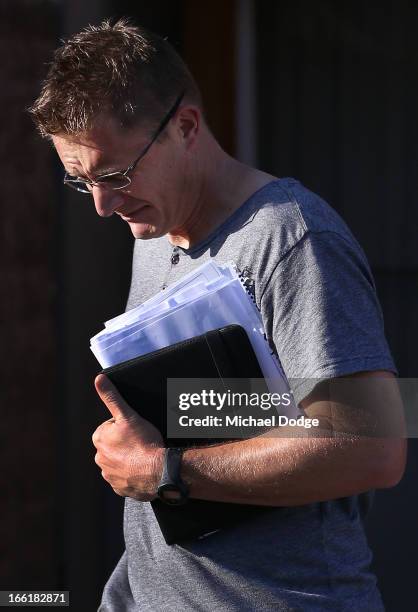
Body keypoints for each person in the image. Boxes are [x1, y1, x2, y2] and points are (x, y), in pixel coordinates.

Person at [30, 19, 406, 612]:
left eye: (114, 176)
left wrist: (165, 471)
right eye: (82, 184)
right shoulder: (152, 232)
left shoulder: (293, 238)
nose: (103, 206)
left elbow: (375, 446)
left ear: (185, 128)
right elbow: (208, 417)